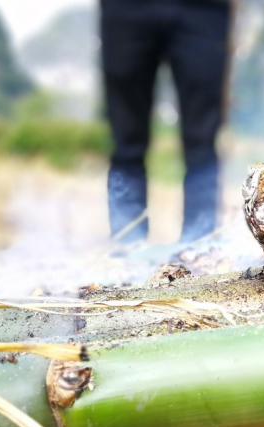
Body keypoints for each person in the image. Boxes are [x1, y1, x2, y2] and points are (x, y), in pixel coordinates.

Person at [100, 0, 232, 244]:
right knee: (126, 139)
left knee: (202, 142)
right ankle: (126, 247)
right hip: (126, 9)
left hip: (203, 9)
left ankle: (199, 247)